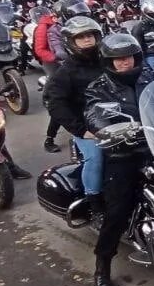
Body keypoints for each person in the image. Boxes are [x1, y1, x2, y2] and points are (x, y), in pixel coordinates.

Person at [83, 33, 154, 286]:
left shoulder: (148, 77)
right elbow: (93, 112)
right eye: (118, 59)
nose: (124, 62)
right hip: (124, 152)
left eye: (128, 56)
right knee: (118, 209)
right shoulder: (100, 87)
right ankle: (102, 267)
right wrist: (106, 127)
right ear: (108, 62)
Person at [44, 16, 107, 218]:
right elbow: (55, 103)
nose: (87, 40)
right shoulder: (66, 72)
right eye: (81, 37)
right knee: (96, 157)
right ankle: (94, 201)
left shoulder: (108, 61)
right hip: (88, 126)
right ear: (71, 42)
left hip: (117, 120)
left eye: (90, 35)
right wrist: (81, 130)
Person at [34, 7, 66, 153]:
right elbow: (39, 49)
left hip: (70, 59)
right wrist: (56, 58)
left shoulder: (72, 25)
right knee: (60, 96)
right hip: (52, 59)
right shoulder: (44, 27)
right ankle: (49, 138)